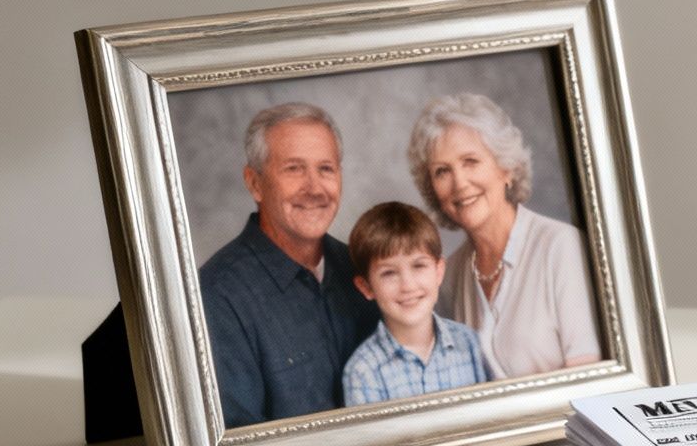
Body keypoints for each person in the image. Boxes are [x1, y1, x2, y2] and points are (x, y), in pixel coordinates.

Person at [199, 102, 379, 428]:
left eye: (326, 169)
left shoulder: (365, 270)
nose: (314, 188)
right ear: (255, 183)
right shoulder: (216, 297)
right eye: (294, 168)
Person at [407, 91, 602, 378]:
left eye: (470, 161)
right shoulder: (450, 275)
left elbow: (590, 374)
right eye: (442, 172)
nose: (459, 183)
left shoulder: (561, 248)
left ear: (506, 168)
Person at [341, 202, 491, 405]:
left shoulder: (470, 344)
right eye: (389, 273)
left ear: (439, 272)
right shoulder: (363, 371)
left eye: (419, 265)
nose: (408, 285)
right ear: (366, 287)